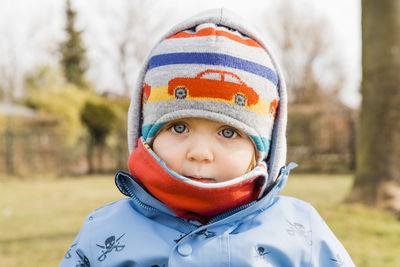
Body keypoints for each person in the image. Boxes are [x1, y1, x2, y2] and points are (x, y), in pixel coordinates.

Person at [60, 8, 355, 267]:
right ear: (145, 136)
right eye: (178, 128)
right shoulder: (104, 231)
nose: (200, 152)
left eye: (228, 132)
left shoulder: (302, 230)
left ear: (263, 150)